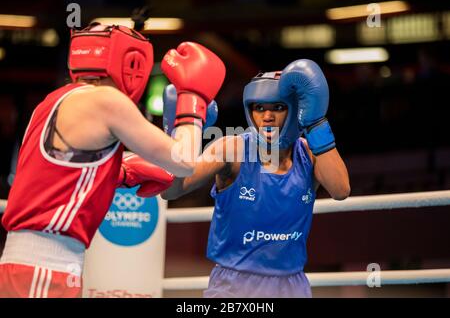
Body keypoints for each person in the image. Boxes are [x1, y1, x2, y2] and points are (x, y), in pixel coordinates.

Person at [0, 23, 226, 298]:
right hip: (46, 269)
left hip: (29, 265)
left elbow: (53, 171)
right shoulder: (106, 101)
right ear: (134, 63)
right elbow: (184, 160)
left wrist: (118, 173)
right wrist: (193, 99)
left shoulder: (52, 101)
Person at [162, 59, 350, 298]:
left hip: (292, 284)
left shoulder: (310, 153)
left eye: (278, 108)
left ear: (295, 111)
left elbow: (341, 190)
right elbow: (171, 191)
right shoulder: (232, 150)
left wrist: (316, 123)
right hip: (235, 285)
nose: (267, 116)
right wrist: (178, 138)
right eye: (259, 108)